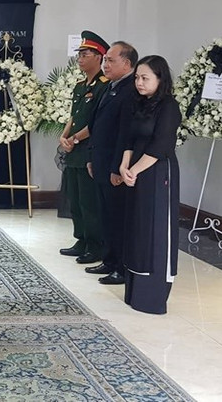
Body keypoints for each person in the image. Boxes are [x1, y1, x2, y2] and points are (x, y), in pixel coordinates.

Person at [118, 56, 182, 314]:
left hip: (156, 173)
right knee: (137, 227)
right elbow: (129, 137)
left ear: (160, 79)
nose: (139, 82)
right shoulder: (140, 103)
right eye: (137, 78)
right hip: (135, 171)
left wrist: (133, 170)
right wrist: (124, 166)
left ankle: (152, 295)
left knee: (154, 229)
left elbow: (161, 145)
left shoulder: (169, 106)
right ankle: (134, 290)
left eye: (145, 78)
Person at [85, 41, 138, 285]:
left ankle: (121, 266)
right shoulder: (111, 87)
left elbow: (125, 134)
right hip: (100, 161)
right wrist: (91, 157)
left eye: (111, 60)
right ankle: (109, 259)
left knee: (117, 216)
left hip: (114, 166)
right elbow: (97, 126)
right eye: (105, 60)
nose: (105, 64)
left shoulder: (130, 90)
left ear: (127, 64)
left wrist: (118, 168)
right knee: (105, 214)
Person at [58, 30, 110, 265]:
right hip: (73, 150)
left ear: (99, 56)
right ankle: (81, 239)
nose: (79, 58)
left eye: (85, 54)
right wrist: (64, 136)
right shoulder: (80, 86)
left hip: (89, 149)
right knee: (76, 199)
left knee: (90, 202)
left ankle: (95, 244)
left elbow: (96, 122)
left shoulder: (103, 86)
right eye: (79, 54)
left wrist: (75, 139)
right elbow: (74, 116)